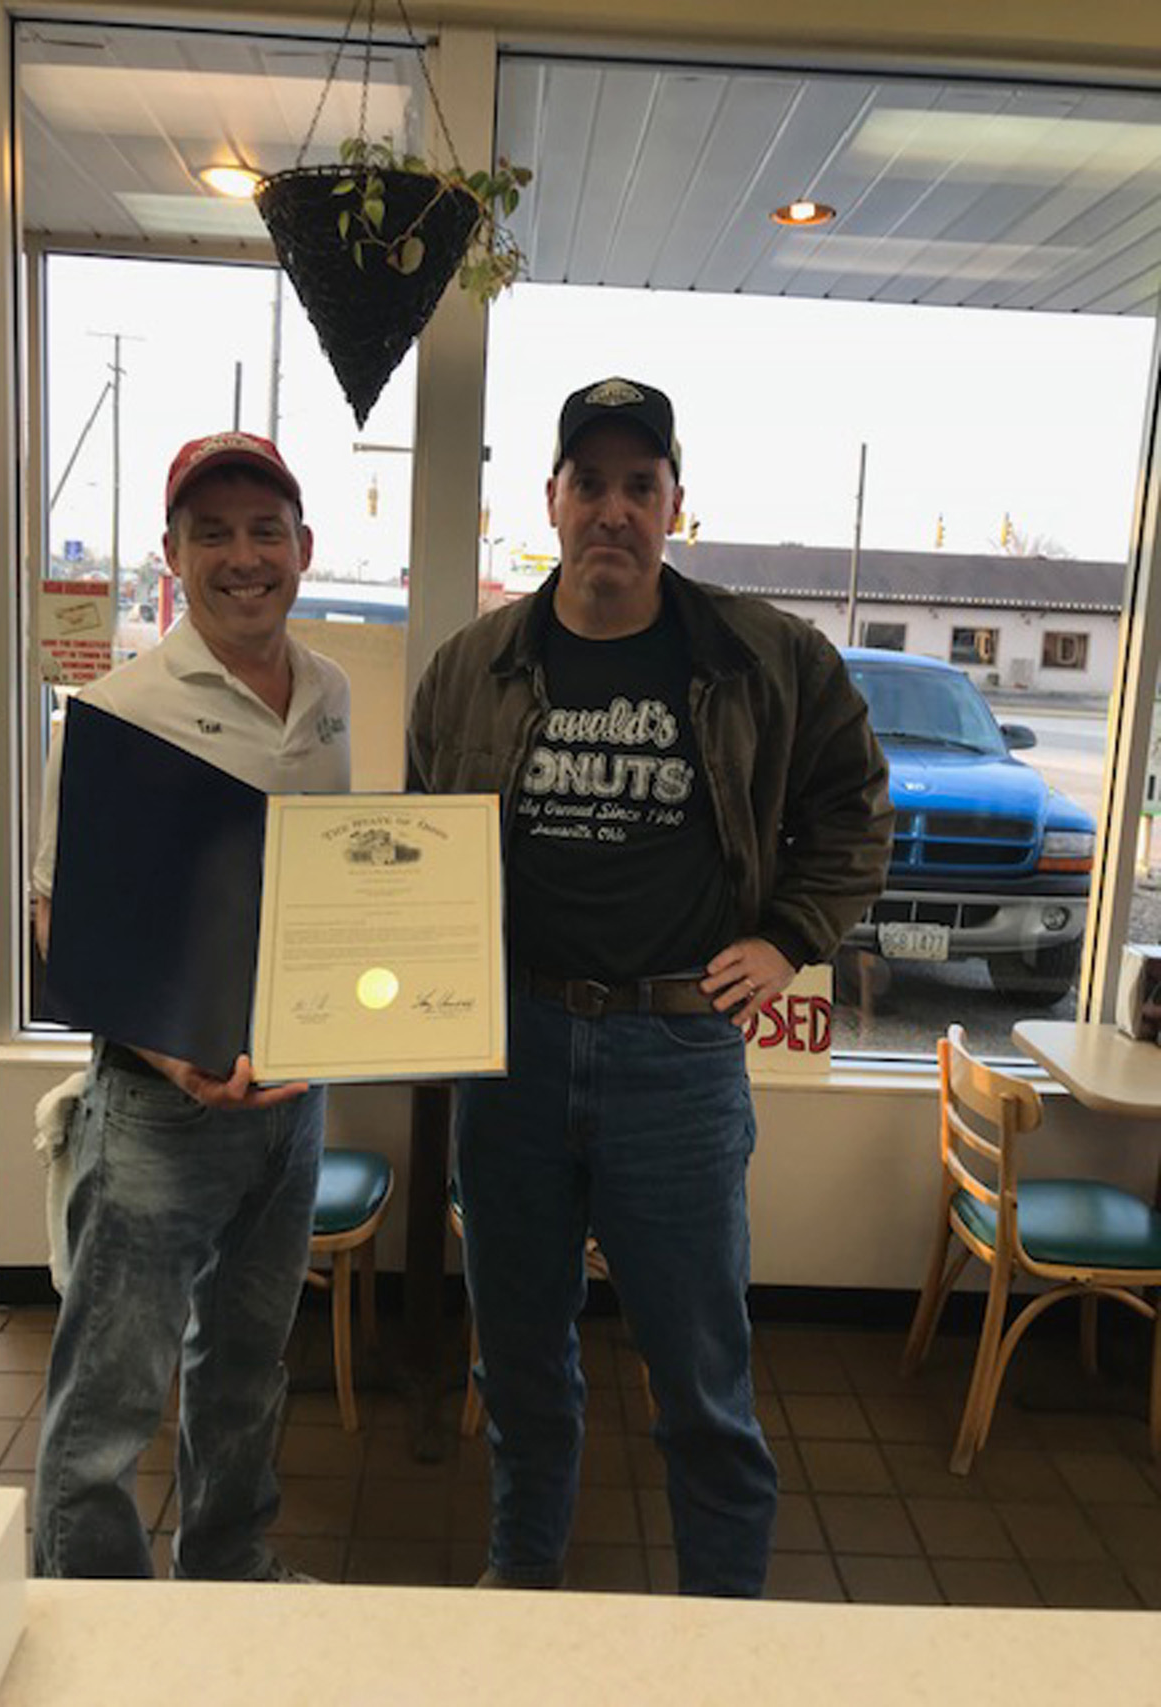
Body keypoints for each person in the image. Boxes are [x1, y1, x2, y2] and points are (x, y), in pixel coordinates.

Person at [407, 377, 892, 1596]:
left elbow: (855, 810)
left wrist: (788, 936)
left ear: (675, 501)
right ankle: (522, 1591)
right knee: (518, 1364)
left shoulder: (762, 654)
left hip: (674, 1060)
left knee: (699, 1383)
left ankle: (721, 1636)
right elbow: (422, 840)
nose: (612, 510)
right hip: (509, 1048)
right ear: (551, 500)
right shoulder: (476, 665)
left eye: (640, 485)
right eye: (591, 484)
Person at [31, 430, 350, 1581]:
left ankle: (228, 1572)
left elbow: (321, 887)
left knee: (247, 1367)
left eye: (264, 530)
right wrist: (175, 1058)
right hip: (162, 1112)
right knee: (112, 1390)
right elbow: (56, 920)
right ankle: (92, 1620)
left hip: (290, 1103)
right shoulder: (118, 707)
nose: (242, 555)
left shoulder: (328, 695)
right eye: (210, 533)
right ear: (172, 555)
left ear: (303, 548)